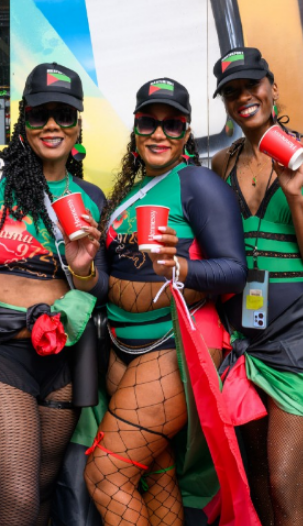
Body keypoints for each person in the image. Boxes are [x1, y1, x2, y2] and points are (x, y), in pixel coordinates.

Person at [0, 63, 108, 526]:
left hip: (62, 361)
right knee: (18, 501)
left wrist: (83, 266)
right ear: (22, 119)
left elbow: (99, 288)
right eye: (40, 114)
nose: (52, 125)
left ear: (78, 124)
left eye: (64, 115)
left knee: (45, 493)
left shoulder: (91, 198)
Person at [84, 78, 247, 526]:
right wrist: (81, 266)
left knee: (105, 474)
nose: (160, 134)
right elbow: (103, 282)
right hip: (123, 348)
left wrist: (181, 266)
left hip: (174, 345)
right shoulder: (126, 196)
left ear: (186, 133)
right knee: (155, 474)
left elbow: (235, 270)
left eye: (173, 125)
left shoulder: (195, 182)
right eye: (149, 123)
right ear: (135, 130)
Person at [209, 47, 303, 526]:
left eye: (252, 86)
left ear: (273, 87)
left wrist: (294, 194)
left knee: (284, 482)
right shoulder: (220, 164)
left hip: (297, 333)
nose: (244, 98)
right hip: (239, 334)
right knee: (256, 478)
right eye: (231, 92)